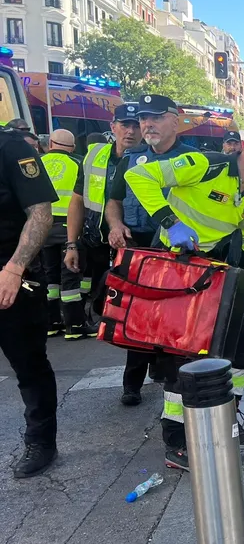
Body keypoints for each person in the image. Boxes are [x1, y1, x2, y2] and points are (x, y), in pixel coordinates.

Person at [123, 126, 244, 470]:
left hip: (215, 275)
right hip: (178, 271)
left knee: (243, 345)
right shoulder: (205, 165)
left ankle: (225, 420)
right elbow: (138, 175)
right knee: (185, 358)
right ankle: (177, 441)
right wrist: (170, 222)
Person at [105, 95, 199, 402]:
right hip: (138, 248)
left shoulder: (195, 159)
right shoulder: (131, 159)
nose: (147, 124)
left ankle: (171, 378)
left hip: (178, 252)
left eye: (156, 118)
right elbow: (113, 201)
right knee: (136, 315)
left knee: (174, 318)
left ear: (175, 121)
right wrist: (116, 225)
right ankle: (132, 382)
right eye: (144, 118)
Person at [0, 126, 60, 478]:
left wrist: (14, 268)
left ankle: (41, 442)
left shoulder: (11, 148)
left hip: (10, 278)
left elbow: (41, 212)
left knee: (29, 367)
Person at [64, 104, 142, 353]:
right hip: (95, 242)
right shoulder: (95, 156)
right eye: (124, 125)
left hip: (134, 243)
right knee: (98, 298)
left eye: (136, 125)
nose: (130, 131)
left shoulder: (149, 159)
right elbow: (76, 200)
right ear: (113, 127)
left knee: (135, 309)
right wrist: (71, 243)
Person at [39, 129, 95, 340]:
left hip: (41, 228)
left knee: (49, 278)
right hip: (68, 227)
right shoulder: (78, 163)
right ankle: (75, 325)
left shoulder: (37, 162)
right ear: (72, 147)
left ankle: (52, 323)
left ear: (50, 143)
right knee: (70, 277)